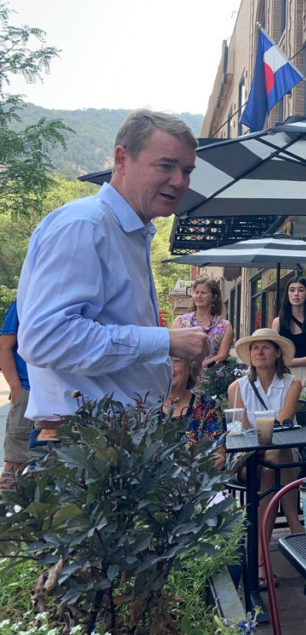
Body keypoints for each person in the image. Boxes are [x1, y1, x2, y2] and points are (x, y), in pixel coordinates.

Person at [16, 110, 209, 432]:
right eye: (166, 165)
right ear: (121, 159)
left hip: (115, 437)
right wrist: (164, 341)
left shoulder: (126, 232)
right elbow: (45, 339)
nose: (179, 181)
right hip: (84, 440)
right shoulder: (85, 225)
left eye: (187, 170)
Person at [227, 328, 304, 585]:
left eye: (265, 347)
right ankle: (295, 525)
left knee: (274, 465)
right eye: (254, 348)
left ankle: (260, 563)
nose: (259, 352)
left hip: (282, 455)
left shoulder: (292, 383)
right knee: (271, 463)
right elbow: (243, 435)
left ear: (278, 352)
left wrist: (265, 433)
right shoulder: (236, 388)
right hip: (249, 461)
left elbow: (282, 425)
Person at [162, 356, 226, 471]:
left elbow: (218, 456)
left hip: (194, 485)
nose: (168, 367)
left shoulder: (207, 406)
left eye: (176, 360)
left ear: (190, 368)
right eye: (163, 360)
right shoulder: (145, 408)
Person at [270, 278, 306, 387]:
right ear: (287, 294)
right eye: (292, 290)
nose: (296, 294)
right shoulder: (277, 322)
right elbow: (275, 358)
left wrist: (289, 361)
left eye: (301, 290)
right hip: (285, 377)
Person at [0, 300, 32, 486]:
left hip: (59, 395)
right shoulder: (23, 302)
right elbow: (4, 346)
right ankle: (8, 511)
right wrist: (16, 387)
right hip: (28, 392)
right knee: (14, 465)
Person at [172, 276, 233, 369]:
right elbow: (171, 349)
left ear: (214, 297)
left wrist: (201, 366)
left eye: (203, 293)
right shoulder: (180, 322)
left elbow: (222, 355)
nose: (199, 296)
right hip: (182, 375)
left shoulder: (224, 326)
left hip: (209, 377)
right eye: (196, 292)